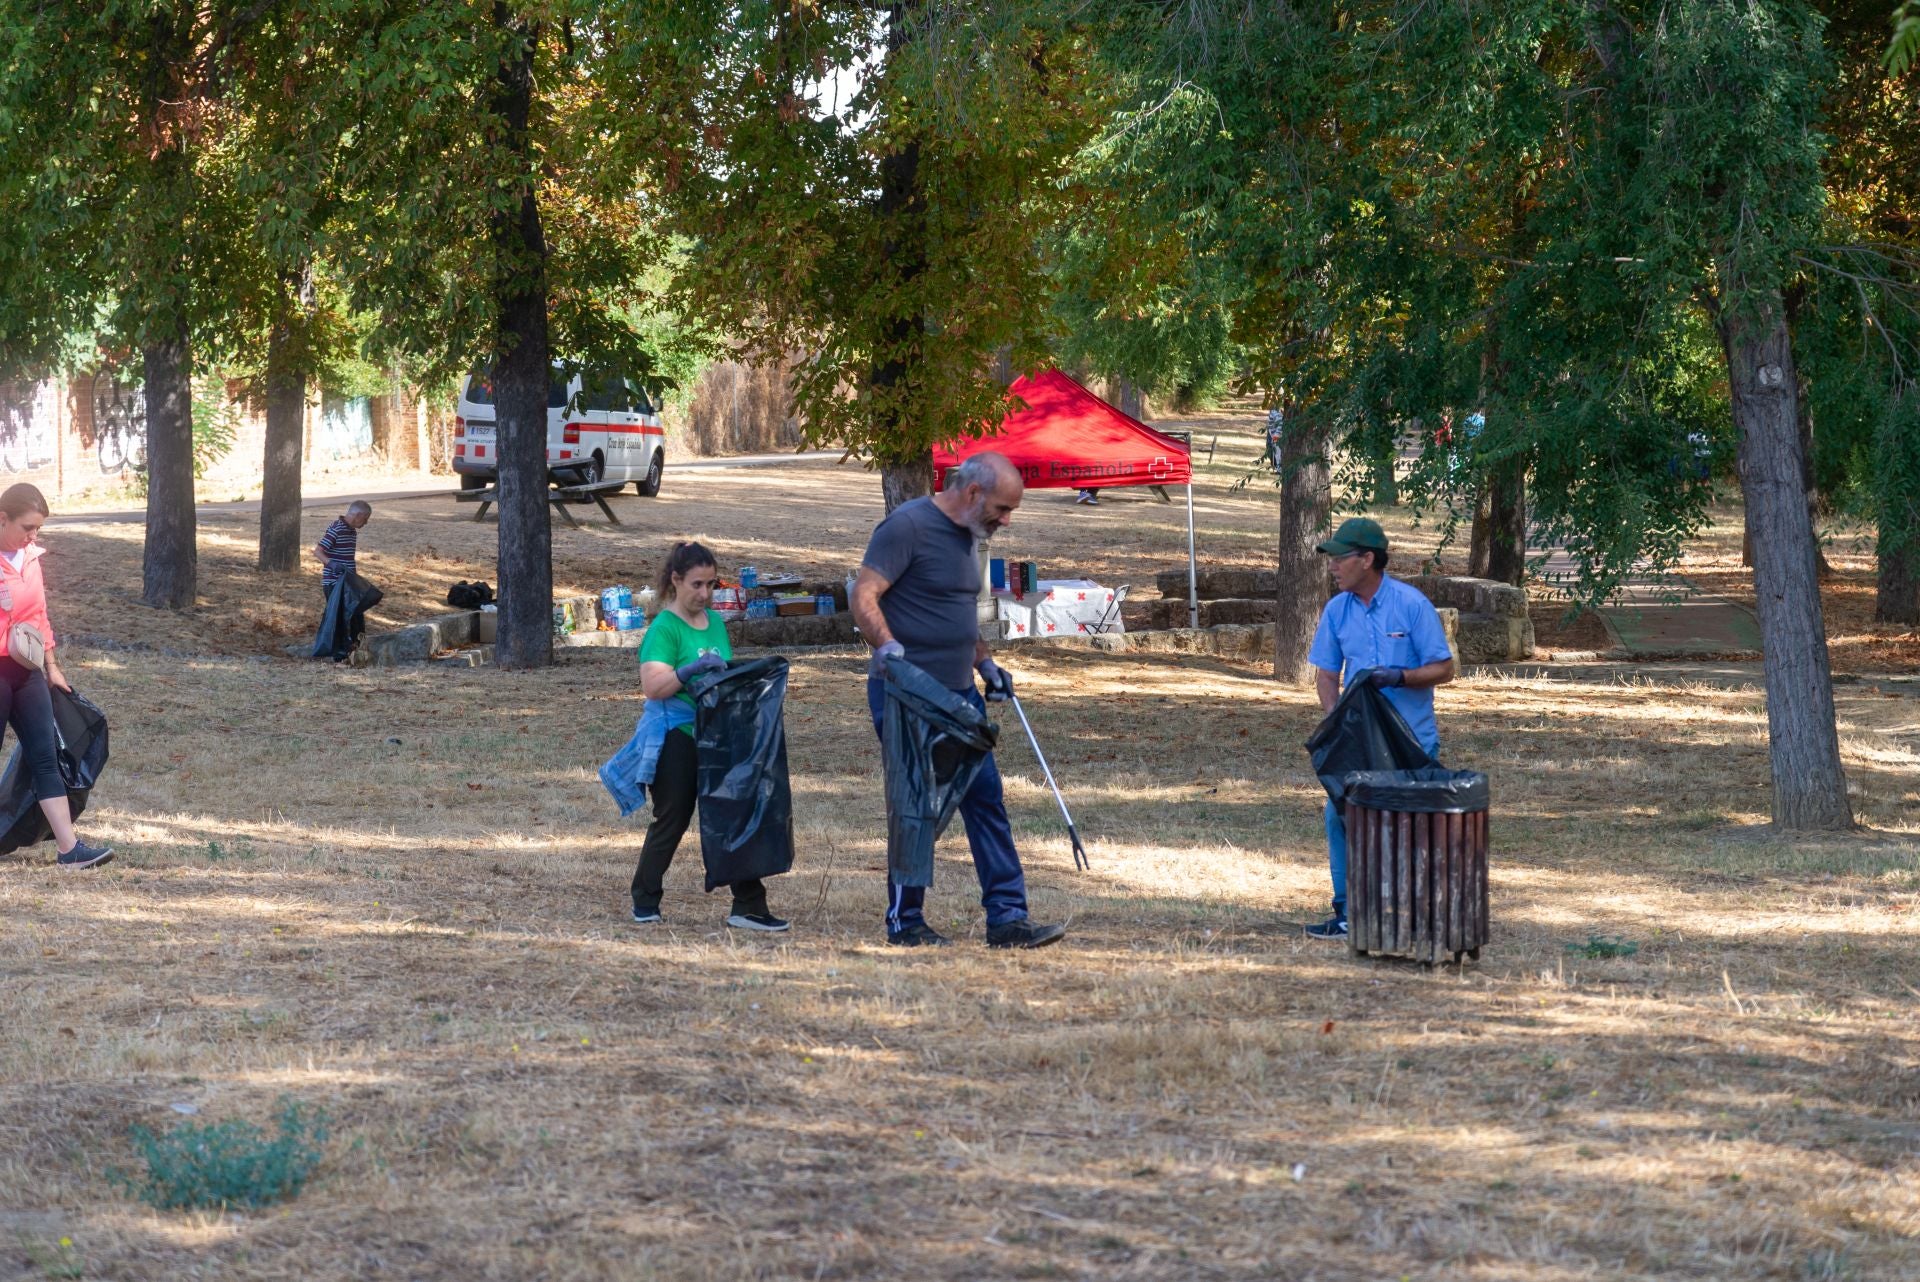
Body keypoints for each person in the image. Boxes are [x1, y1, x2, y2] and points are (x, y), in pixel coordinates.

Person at [851, 452, 1067, 950]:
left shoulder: (973, 536)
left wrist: (985, 663)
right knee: (916, 805)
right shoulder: (907, 526)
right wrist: (888, 648)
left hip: (960, 694)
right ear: (972, 492)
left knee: (984, 796)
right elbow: (864, 595)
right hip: (908, 695)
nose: (1006, 520)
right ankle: (906, 922)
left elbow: (958, 612)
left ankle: (1008, 919)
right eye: (1002, 508)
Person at [1305, 517, 1455, 939]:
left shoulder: (1411, 605)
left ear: (1367, 560)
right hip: (1359, 744)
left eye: (1339, 559)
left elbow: (1444, 668)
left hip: (1411, 741)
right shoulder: (1336, 610)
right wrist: (1337, 723)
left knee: (1408, 824)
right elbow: (1326, 675)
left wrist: (1400, 677)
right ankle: (1350, 912)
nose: (1332, 567)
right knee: (1341, 818)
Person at [629, 540, 788, 932]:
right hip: (676, 735)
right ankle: (645, 899)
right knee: (673, 818)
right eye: (697, 585)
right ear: (676, 581)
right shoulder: (664, 628)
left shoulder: (714, 622)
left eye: (711, 585)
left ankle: (748, 906)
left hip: (718, 734)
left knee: (732, 814)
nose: (704, 593)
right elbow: (653, 686)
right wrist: (688, 672)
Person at [0, 483, 113, 869]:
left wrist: (52, 666)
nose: (33, 536)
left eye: (38, 530)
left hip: (27, 671)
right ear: (3, 519)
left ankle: (69, 850)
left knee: (45, 757)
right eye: (27, 527)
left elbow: (39, 617)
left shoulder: (31, 557)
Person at [314, 500, 372, 600]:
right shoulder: (337, 529)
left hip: (347, 582)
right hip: (334, 583)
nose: (366, 523)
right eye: (365, 519)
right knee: (336, 615)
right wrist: (331, 564)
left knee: (352, 614)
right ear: (358, 515)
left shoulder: (352, 531)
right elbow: (318, 551)